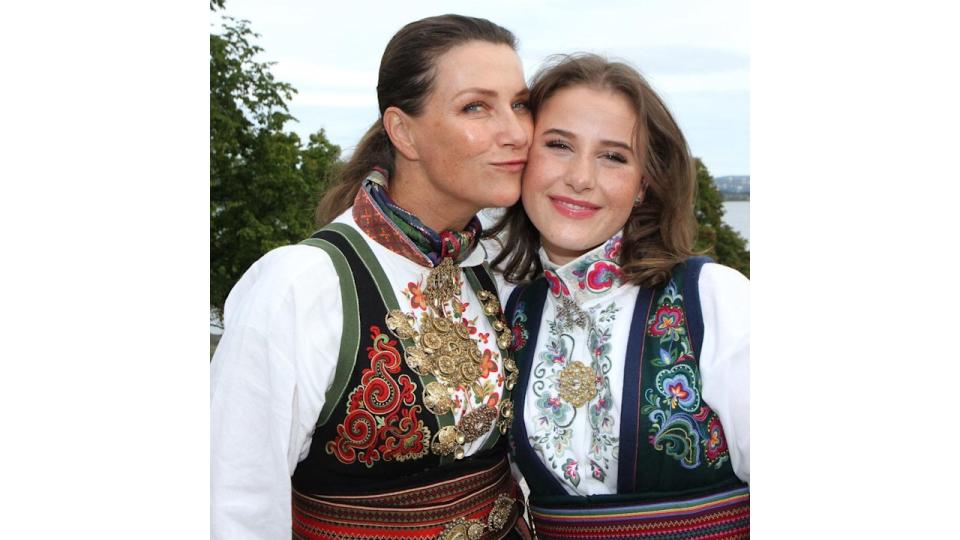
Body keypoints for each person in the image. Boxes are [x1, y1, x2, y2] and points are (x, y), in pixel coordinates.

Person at [210, 14, 535, 539]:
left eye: (519, 104)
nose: (517, 131)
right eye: (477, 106)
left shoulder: (496, 269)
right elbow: (236, 501)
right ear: (403, 131)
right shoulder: (302, 286)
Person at [489, 54, 750, 538]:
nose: (580, 177)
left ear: (642, 185)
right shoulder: (507, 312)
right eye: (559, 145)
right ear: (523, 159)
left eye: (612, 156)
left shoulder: (714, 301)